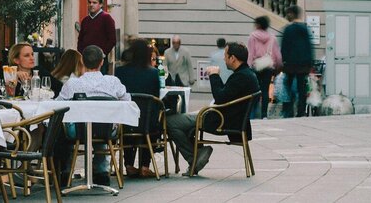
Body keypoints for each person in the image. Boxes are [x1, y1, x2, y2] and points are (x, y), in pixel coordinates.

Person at [165, 41, 260, 176]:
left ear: (232, 58)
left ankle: (193, 157)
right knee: (184, 121)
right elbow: (226, 94)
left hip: (221, 119)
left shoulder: (241, 76)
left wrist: (214, 75)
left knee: (170, 121)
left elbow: (220, 97)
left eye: (226, 55)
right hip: (227, 117)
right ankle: (198, 152)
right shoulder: (247, 74)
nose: (224, 58)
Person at [57, 45, 129, 185]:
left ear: (82, 61)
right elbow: (127, 100)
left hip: (78, 131)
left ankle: (66, 170)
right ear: (102, 62)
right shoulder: (112, 82)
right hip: (106, 130)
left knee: (69, 123)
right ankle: (101, 171)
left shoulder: (72, 84)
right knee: (101, 120)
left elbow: (59, 104)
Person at [114, 39, 160, 178]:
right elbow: (156, 97)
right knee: (152, 120)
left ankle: (128, 164)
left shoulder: (120, 71)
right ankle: (145, 165)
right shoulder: (153, 73)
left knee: (128, 118)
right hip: (147, 122)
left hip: (126, 120)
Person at [280, 5, 313, 118]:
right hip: (303, 64)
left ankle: (288, 110)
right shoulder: (304, 28)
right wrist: (309, 63)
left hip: (290, 64)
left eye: (288, 13)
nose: (287, 16)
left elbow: (284, 47)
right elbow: (309, 46)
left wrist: (283, 61)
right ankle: (301, 112)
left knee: (288, 87)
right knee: (301, 89)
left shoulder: (288, 29)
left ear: (293, 14)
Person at [247, 16, 282, 119]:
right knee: (265, 90)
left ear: (258, 25)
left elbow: (250, 54)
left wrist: (248, 67)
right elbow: (278, 56)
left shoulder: (252, 37)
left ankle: (253, 114)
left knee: (254, 91)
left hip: (256, 66)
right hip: (268, 66)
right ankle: (264, 115)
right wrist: (278, 67)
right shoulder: (272, 38)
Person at [76, 0, 117, 67]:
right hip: (85, 60)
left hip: (100, 61)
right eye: (89, 2)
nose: (91, 5)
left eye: (94, 3)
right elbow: (80, 40)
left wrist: (103, 54)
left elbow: (112, 40)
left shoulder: (107, 18)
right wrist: (81, 54)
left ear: (101, 5)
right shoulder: (85, 20)